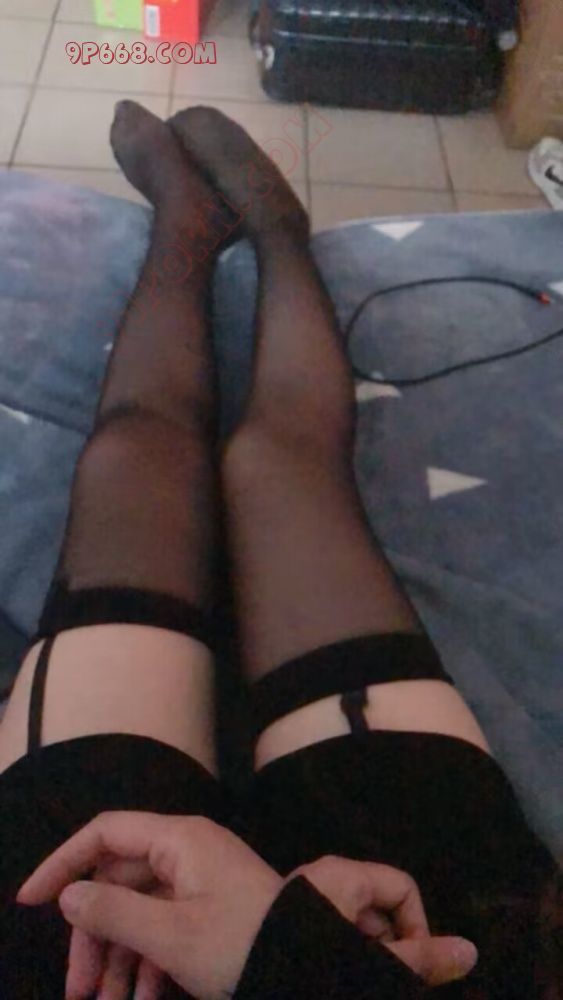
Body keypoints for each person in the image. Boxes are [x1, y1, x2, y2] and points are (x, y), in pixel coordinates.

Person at [0, 101, 560, 1000]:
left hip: (52, 947)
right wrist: (301, 961)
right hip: (433, 952)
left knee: (137, 450)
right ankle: (276, 236)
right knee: (276, 469)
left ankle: (190, 226)